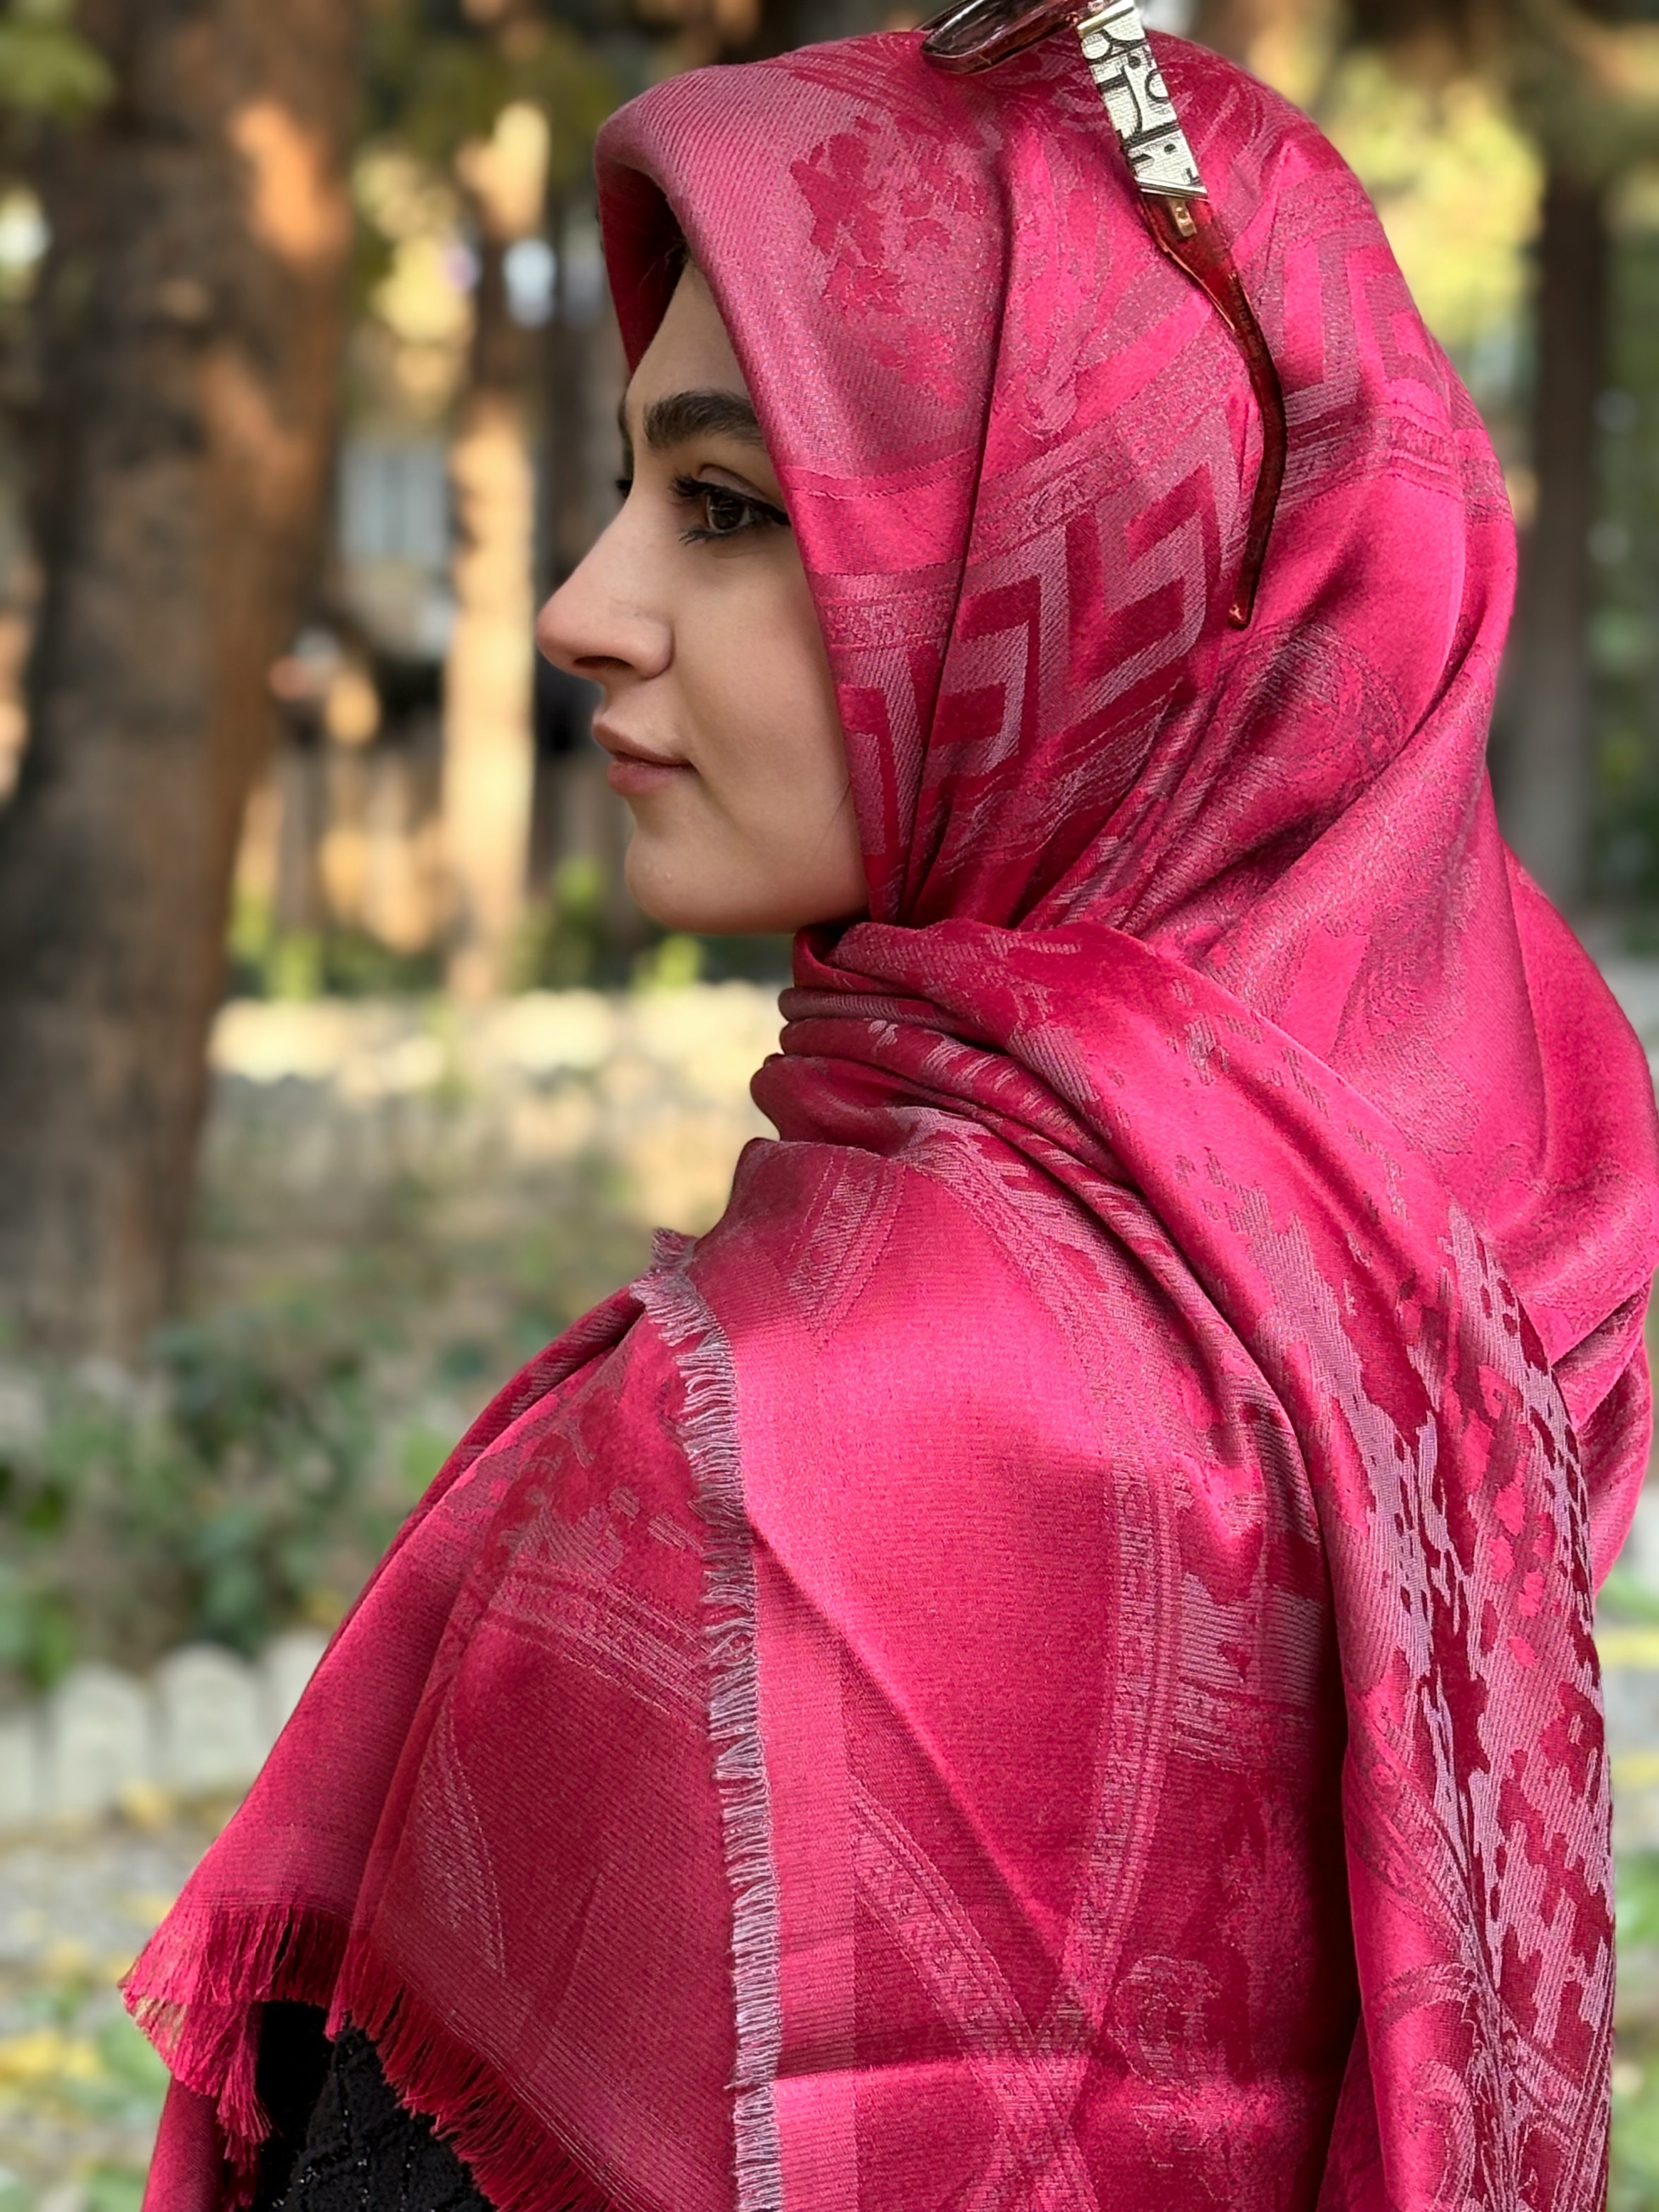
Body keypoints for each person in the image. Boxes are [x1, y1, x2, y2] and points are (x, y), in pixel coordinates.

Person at [128, 17, 1659, 2212]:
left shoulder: (784, 1438)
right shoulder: (1453, 1302)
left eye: (729, 510)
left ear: (1100, 572)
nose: (583, 609)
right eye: (635, 489)